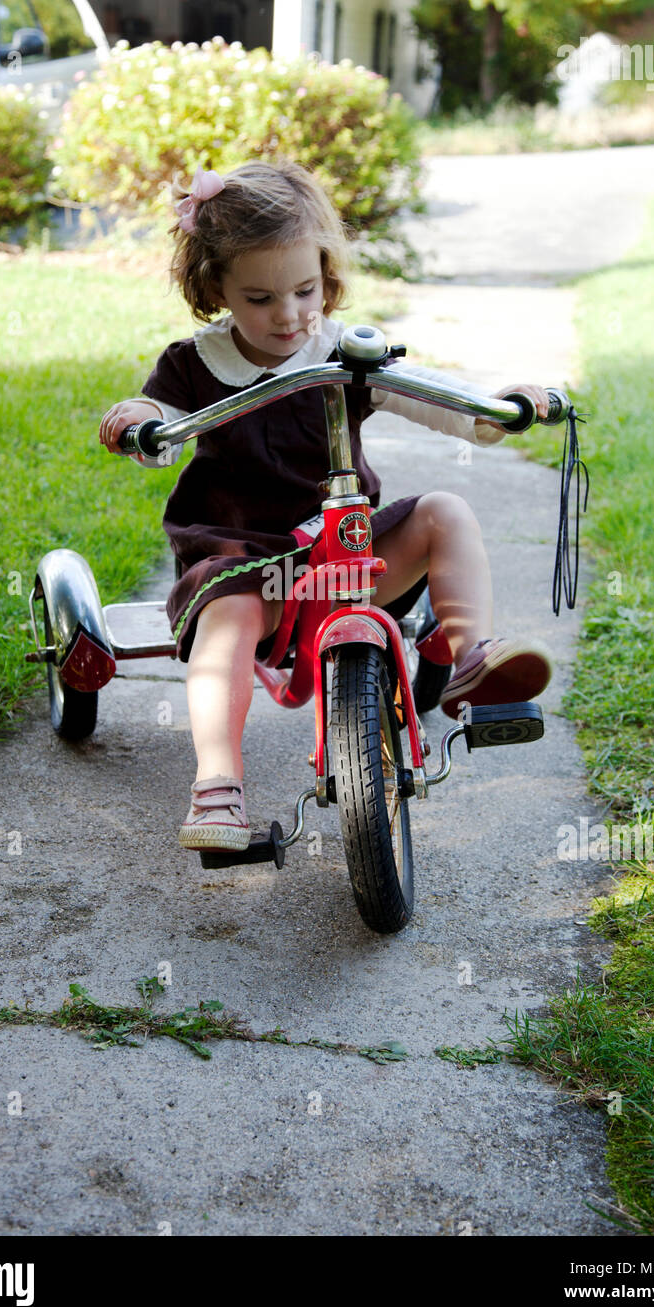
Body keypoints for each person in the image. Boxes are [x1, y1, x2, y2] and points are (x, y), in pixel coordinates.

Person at [99, 159, 553, 852]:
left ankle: (470, 666)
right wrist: (140, 420)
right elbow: (159, 426)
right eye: (258, 298)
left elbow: (435, 398)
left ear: (326, 273)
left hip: (346, 550)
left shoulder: (347, 352)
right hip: (243, 555)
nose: (287, 315)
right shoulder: (196, 364)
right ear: (214, 286)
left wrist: (497, 408)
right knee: (226, 626)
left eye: (305, 290)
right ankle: (218, 787)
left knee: (446, 512)